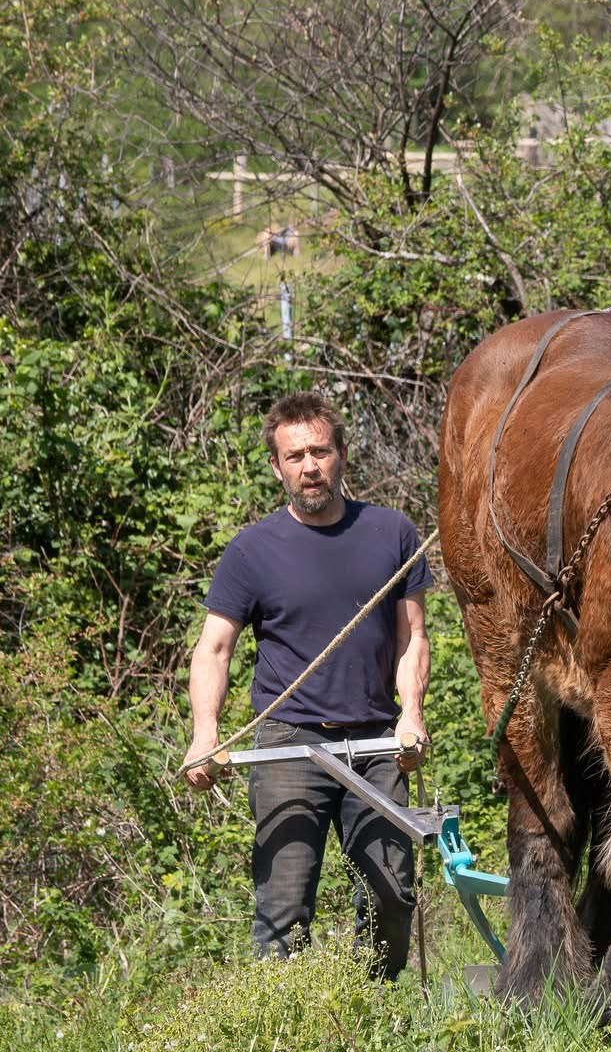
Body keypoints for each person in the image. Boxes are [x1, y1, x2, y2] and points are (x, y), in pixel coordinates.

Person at [182, 392, 432, 975]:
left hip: (374, 743)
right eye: (295, 456)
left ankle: (376, 1021)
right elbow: (214, 649)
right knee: (284, 905)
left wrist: (411, 714)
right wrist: (205, 734)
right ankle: (288, 1041)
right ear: (277, 466)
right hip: (288, 744)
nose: (309, 466)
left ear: (342, 455)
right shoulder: (250, 551)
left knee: (392, 894)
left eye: (320, 451)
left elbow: (412, 638)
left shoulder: (390, 532)